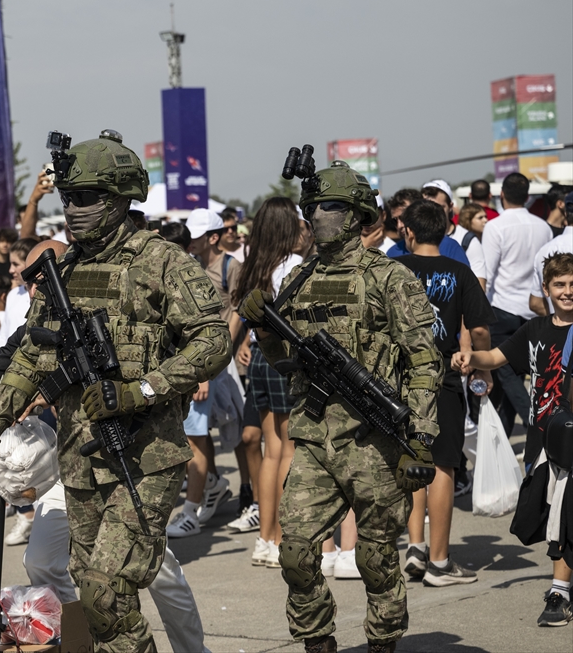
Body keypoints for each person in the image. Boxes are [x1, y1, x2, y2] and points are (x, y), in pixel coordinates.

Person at [0, 130, 231, 653]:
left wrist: (143, 389)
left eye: (88, 198)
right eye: (70, 198)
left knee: (108, 587)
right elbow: (31, 359)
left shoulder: (162, 262)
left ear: (121, 198)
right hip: (79, 458)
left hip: (145, 455)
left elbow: (212, 339)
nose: (76, 209)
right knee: (91, 586)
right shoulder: (64, 270)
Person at [241, 160, 441, 653]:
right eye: (313, 208)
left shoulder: (390, 277)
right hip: (313, 438)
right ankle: (317, 641)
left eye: (330, 206)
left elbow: (424, 361)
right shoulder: (300, 279)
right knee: (296, 552)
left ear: (356, 215)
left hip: (376, 441)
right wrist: (264, 327)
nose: (319, 216)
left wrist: (419, 437)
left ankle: (383, 642)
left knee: (376, 559)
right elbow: (284, 361)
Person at [453, 252, 573, 627]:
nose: (568, 291)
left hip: (571, 441)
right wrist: (470, 357)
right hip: (543, 439)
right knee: (549, 512)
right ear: (546, 289)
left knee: (563, 515)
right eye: (560, 285)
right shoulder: (534, 330)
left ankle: (558, 592)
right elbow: (496, 357)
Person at [394, 200, 494, 587]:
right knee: (442, 465)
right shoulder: (460, 270)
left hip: (399, 377)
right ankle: (439, 561)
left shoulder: (392, 269)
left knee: (410, 459)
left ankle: (415, 546)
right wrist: (483, 365)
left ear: (409, 232)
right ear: (447, 230)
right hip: (444, 374)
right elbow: (481, 329)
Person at [227, 197, 303, 561]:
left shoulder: (254, 264)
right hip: (282, 359)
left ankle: (266, 539)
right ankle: (281, 537)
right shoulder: (293, 265)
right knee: (288, 450)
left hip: (258, 357)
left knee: (271, 451)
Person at [168, 207, 236, 538]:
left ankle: (191, 511)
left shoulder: (227, 267)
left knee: (194, 441)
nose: (190, 243)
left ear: (212, 236)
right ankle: (213, 486)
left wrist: (206, 371)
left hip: (204, 369)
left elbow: (224, 319)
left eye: (195, 237)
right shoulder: (192, 266)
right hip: (191, 367)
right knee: (192, 438)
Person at [482, 172, 554, 434]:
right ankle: (505, 432)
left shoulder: (495, 226)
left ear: (502, 195)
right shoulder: (543, 227)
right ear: (527, 197)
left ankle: (535, 423)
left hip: (502, 308)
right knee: (524, 373)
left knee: (506, 373)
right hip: (534, 309)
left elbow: (487, 274)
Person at [422, 180, 487, 290]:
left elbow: (479, 289)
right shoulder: (413, 240)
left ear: (450, 206)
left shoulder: (467, 240)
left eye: (440, 207)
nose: (434, 212)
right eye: (427, 208)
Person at [530, 190, 573, 317]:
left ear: (565, 213)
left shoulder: (545, 249)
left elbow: (535, 303)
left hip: (558, 331)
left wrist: (558, 318)